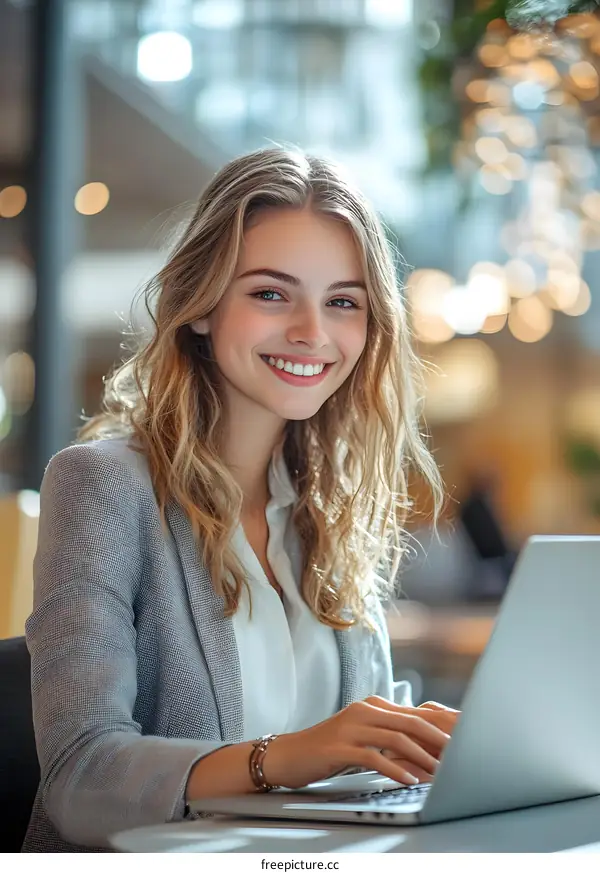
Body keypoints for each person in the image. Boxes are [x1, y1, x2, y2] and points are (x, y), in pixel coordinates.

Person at [23, 147, 458, 852]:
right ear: (200, 306)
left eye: (343, 301)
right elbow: (80, 776)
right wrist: (289, 755)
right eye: (270, 292)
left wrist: (440, 739)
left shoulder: (331, 506)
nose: (312, 332)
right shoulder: (101, 484)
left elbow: (354, 736)